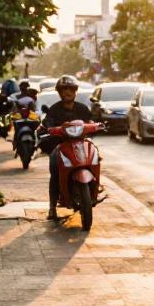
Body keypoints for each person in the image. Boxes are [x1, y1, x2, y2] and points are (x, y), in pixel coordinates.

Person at [41, 75, 93, 220]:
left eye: (71, 89)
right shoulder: (54, 109)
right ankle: (52, 207)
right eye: (64, 90)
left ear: (76, 91)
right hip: (61, 147)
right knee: (54, 165)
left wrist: (95, 126)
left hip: (81, 145)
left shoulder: (83, 109)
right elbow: (48, 123)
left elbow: (90, 121)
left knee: (96, 156)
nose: (68, 92)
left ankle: (95, 188)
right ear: (59, 92)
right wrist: (52, 129)